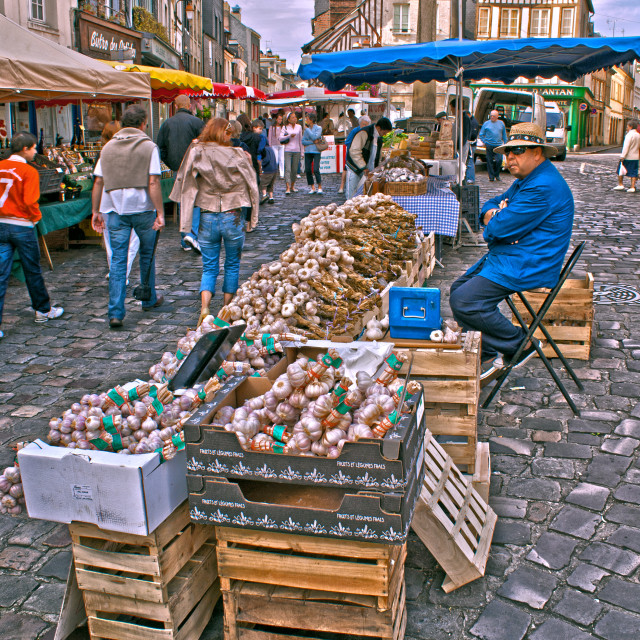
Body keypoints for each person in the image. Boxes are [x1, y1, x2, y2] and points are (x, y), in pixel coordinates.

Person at [449, 123, 573, 382]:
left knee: (466, 301)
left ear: (538, 152)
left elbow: (499, 228)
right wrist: (498, 212)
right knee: (458, 289)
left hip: (529, 262)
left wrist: (497, 217)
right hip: (513, 256)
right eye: (507, 152)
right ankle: (487, 353)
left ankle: (521, 345)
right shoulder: (527, 180)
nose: (509, 157)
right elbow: (491, 205)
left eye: (517, 150)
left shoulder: (541, 186)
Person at [170, 118, 259, 326]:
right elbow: (252, 184)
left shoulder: (197, 151)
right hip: (233, 214)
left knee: (209, 266)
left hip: (207, 214)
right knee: (232, 264)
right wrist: (253, 216)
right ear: (225, 134)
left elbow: (184, 181)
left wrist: (184, 222)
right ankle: (225, 311)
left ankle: (204, 308)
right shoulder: (237, 154)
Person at [91, 105, 165, 329]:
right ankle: (148, 298)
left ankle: (115, 312)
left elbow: (98, 181)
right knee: (147, 255)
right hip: (142, 209)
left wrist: (95, 211)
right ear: (143, 123)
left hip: (115, 209)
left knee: (118, 261)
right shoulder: (148, 147)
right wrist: (160, 211)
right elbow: (153, 182)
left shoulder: (108, 148)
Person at [0, 132, 64, 338]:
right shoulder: (28, 171)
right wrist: (35, 219)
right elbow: (30, 202)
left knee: (1, 275)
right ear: (25, 148)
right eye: (34, 148)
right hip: (22, 226)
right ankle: (42, 310)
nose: (36, 152)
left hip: (1, 224)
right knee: (32, 270)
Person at [157, 95, 204, 252]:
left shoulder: (167, 124)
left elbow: (161, 148)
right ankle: (191, 235)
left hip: (177, 168)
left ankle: (186, 236)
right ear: (189, 105)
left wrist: (171, 164)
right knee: (195, 202)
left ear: (175, 106)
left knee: (181, 201)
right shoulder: (197, 122)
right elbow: (206, 145)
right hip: (195, 168)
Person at [100, 120, 139, 283]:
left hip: (108, 200)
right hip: (128, 201)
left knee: (111, 240)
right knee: (131, 240)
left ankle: (116, 271)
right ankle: (122, 272)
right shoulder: (132, 151)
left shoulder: (103, 152)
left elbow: (97, 181)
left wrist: (96, 208)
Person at [345, 116, 393, 200]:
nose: (385, 134)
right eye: (384, 132)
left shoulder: (378, 138)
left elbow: (376, 155)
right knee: (352, 194)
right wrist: (363, 167)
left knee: (363, 194)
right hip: (354, 168)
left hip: (366, 170)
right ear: (378, 128)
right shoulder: (364, 133)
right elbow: (354, 151)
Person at [339, 115, 371, 194]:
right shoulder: (355, 131)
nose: (365, 126)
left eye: (367, 124)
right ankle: (342, 186)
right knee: (347, 171)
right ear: (360, 124)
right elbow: (347, 142)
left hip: (362, 158)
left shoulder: (369, 133)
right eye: (363, 124)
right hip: (352, 155)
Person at [478, 109, 508, 182]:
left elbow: (504, 134)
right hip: (489, 145)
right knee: (489, 161)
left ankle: (496, 174)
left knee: (499, 161)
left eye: (494, 116)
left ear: (497, 116)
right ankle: (491, 176)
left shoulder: (501, 123)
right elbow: (481, 134)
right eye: (491, 116)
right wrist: (485, 142)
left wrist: (506, 143)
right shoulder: (486, 123)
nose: (492, 117)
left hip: (498, 145)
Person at [613, 119, 640, 193]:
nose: (627, 128)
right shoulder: (638, 135)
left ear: (630, 126)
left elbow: (626, 147)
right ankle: (632, 187)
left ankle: (620, 184)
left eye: (627, 126)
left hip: (628, 156)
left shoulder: (629, 135)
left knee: (620, 170)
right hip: (635, 157)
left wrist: (622, 156)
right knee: (634, 172)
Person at [281, 112, 302, 194]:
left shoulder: (299, 127)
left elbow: (300, 139)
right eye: (293, 117)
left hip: (297, 150)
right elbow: (280, 138)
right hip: (288, 150)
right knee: (288, 169)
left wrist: (302, 151)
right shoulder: (285, 127)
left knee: (294, 170)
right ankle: (287, 187)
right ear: (289, 119)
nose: (295, 119)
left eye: (295, 117)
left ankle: (292, 186)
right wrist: (289, 136)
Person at [302, 113, 323, 194]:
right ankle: (312, 187)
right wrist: (312, 142)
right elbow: (303, 141)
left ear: (311, 120)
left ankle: (320, 186)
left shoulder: (318, 128)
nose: (306, 120)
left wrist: (307, 129)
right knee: (307, 170)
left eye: (307, 119)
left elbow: (315, 137)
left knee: (316, 169)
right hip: (307, 151)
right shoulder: (306, 130)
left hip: (316, 151)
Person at [267, 112, 286, 178]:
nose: (280, 121)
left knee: (282, 159)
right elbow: (269, 137)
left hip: (281, 144)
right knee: (276, 160)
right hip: (274, 145)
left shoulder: (283, 127)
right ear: (276, 119)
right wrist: (269, 145)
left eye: (281, 119)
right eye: (279, 119)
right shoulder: (272, 127)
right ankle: (274, 172)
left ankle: (282, 174)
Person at [466, 112, 480, 184]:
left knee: (470, 162)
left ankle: (470, 178)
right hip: (470, 144)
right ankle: (468, 177)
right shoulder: (471, 121)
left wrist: (466, 137)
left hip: (471, 144)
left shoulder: (474, 122)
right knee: (469, 162)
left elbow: (473, 135)